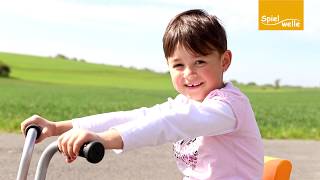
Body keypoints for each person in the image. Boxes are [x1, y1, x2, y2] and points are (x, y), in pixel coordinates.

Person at [21, 9, 264, 180]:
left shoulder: (227, 107)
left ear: (225, 61)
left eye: (200, 61)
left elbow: (171, 123)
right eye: (179, 65)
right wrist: (56, 127)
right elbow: (139, 117)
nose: (189, 73)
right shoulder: (186, 102)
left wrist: (105, 140)